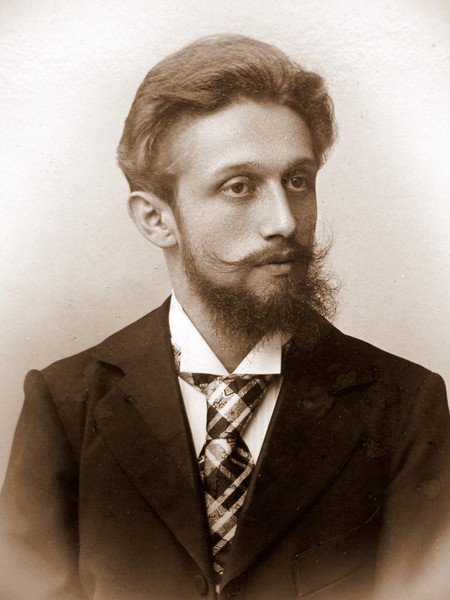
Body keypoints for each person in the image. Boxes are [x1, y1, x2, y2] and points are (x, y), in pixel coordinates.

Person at [1, 34, 449, 600]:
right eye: (239, 187)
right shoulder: (67, 403)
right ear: (156, 219)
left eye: (297, 180)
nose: (285, 221)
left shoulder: (403, 405)